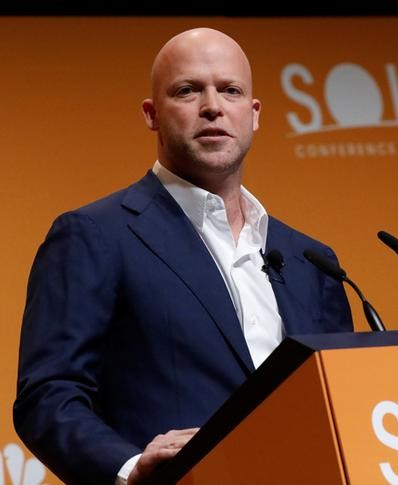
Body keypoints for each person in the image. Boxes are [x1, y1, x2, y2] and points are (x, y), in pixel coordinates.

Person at [14, 28, 353, 485]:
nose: (212, 105)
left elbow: (337, 402)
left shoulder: (311, 259)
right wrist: (131, 468)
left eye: (230, 90)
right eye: (188, 90)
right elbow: (48, 396)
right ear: (152, 115)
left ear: (253, 115)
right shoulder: (95, 235)